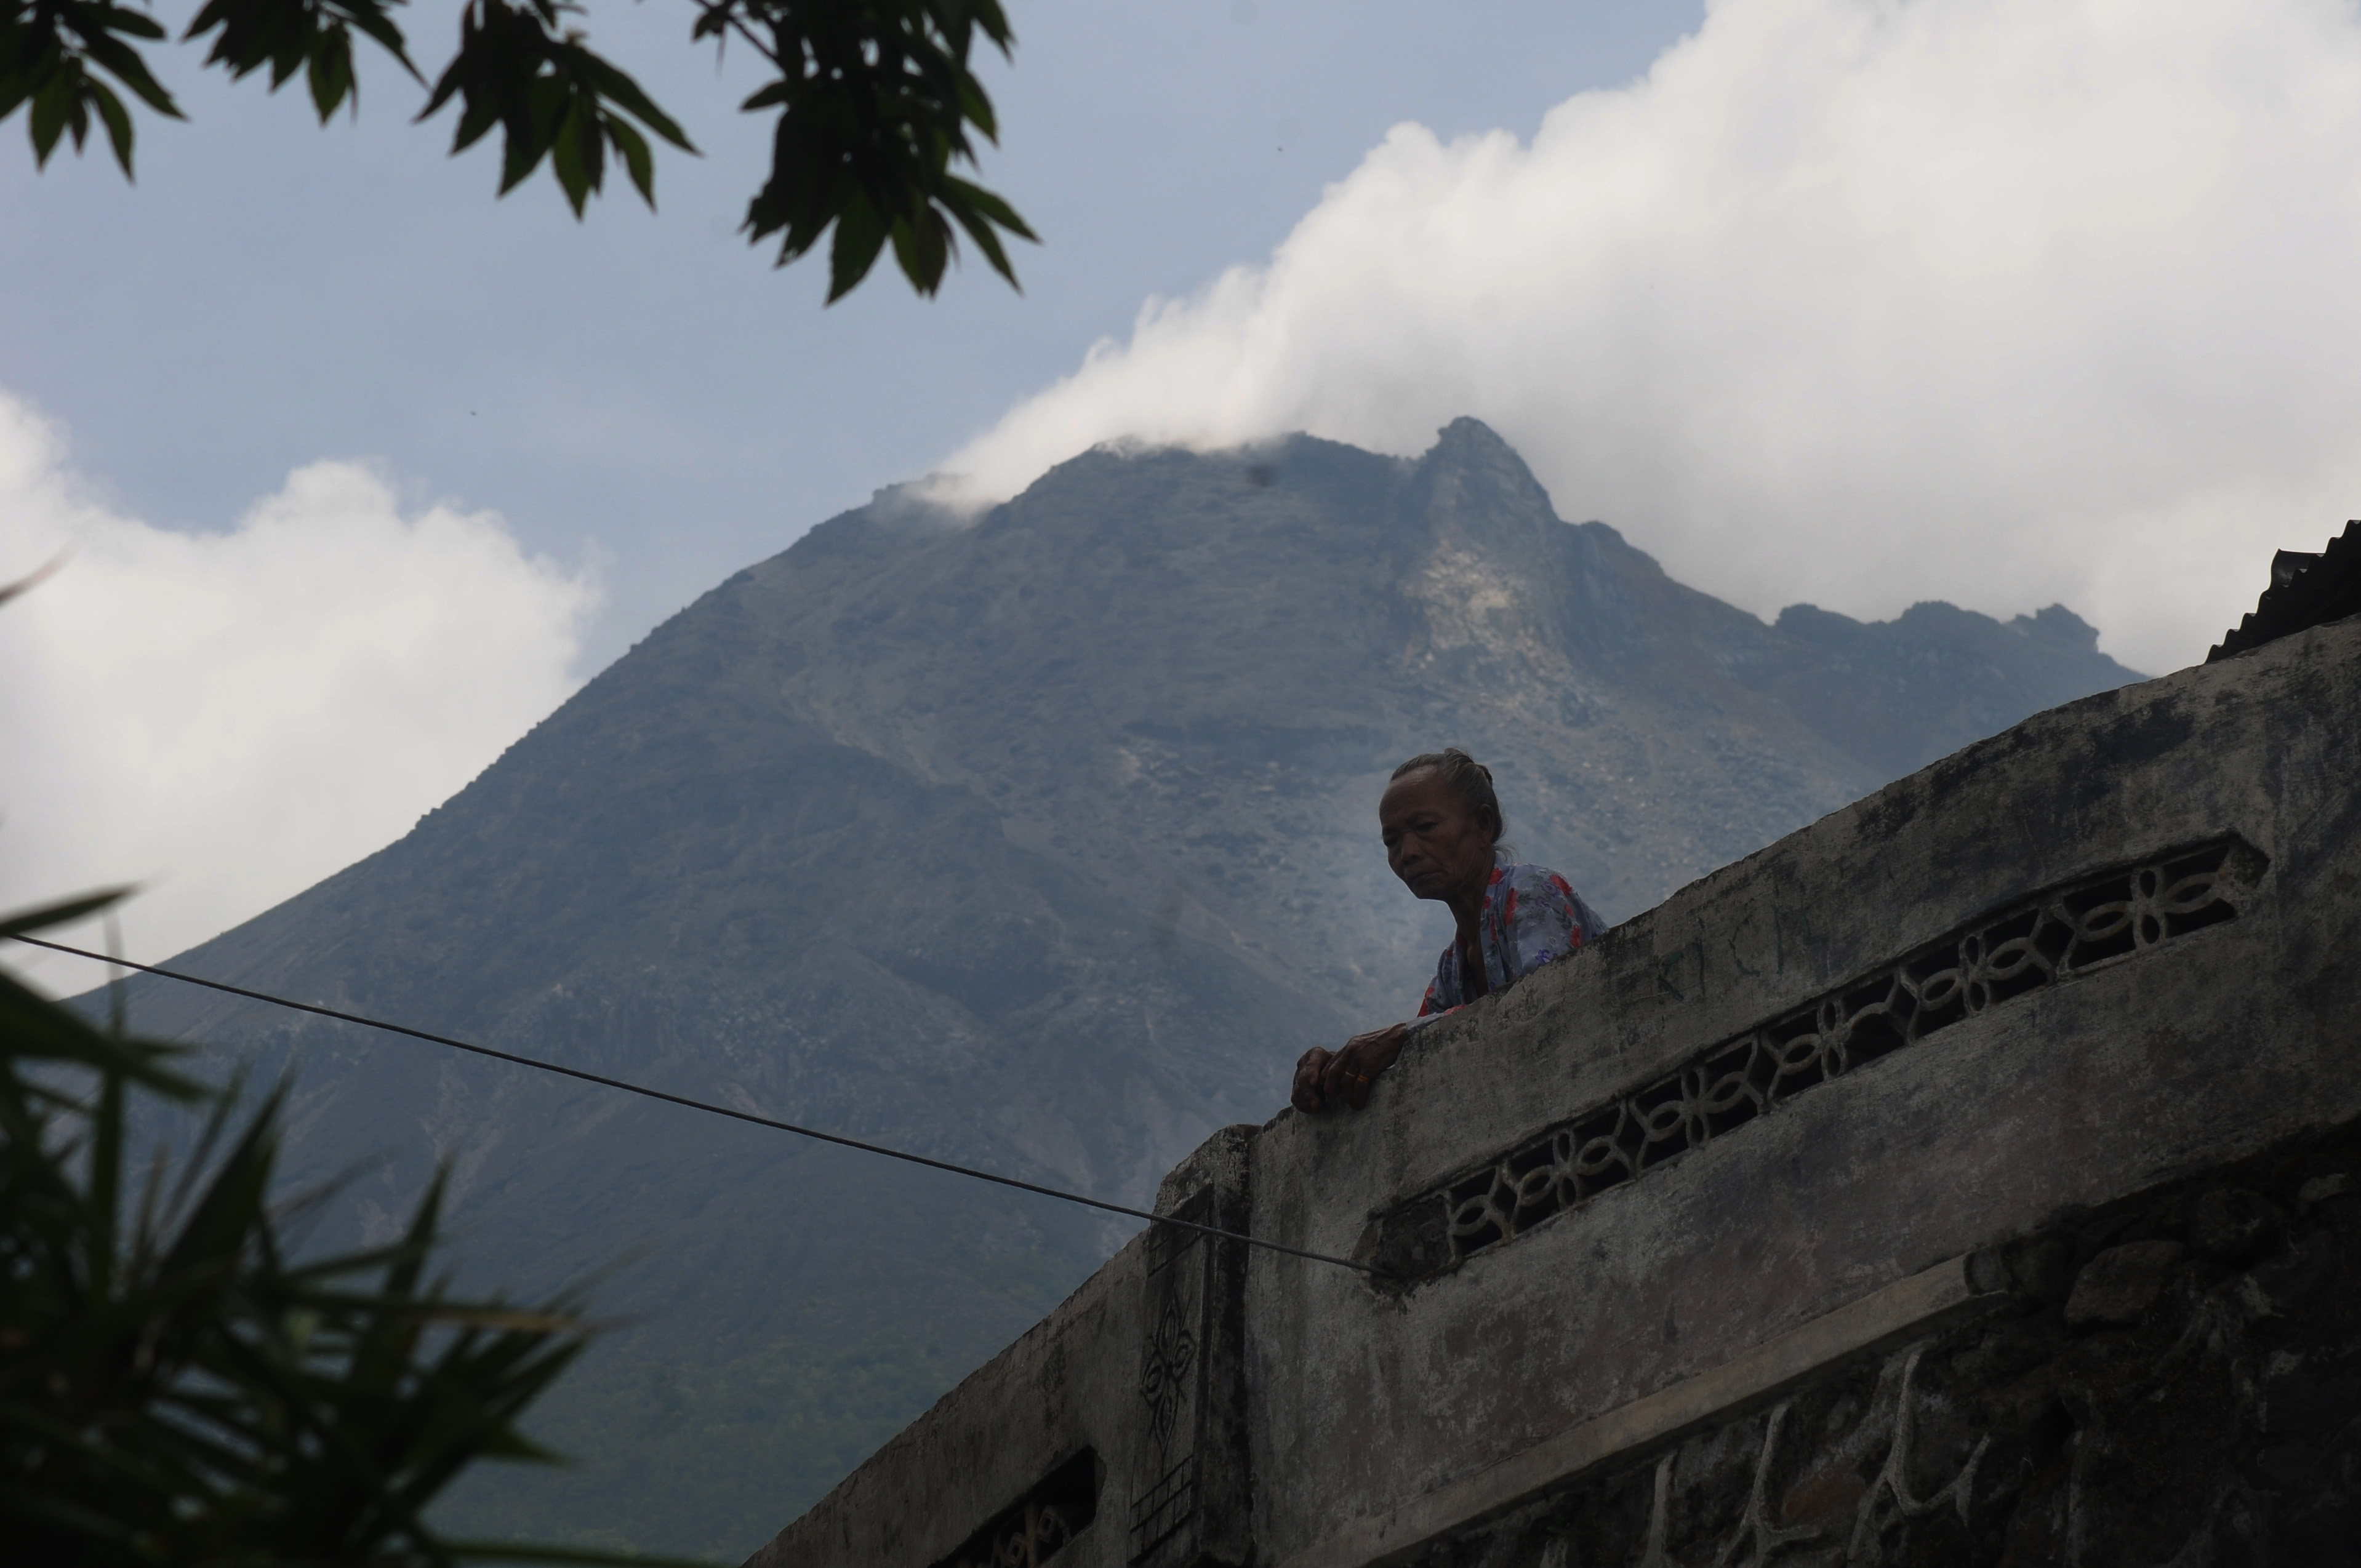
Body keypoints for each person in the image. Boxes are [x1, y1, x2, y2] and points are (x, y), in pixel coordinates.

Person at [1291, 749, 1606, 1114]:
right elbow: (1416, 1047)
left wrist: (1399, 1036)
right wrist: (1336, 1068)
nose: (1407, 853)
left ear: (1482, 826)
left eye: (1425, 828)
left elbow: (1547, 1000)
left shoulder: (1532, 890)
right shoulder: (1452, 967)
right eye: (1392, 841)